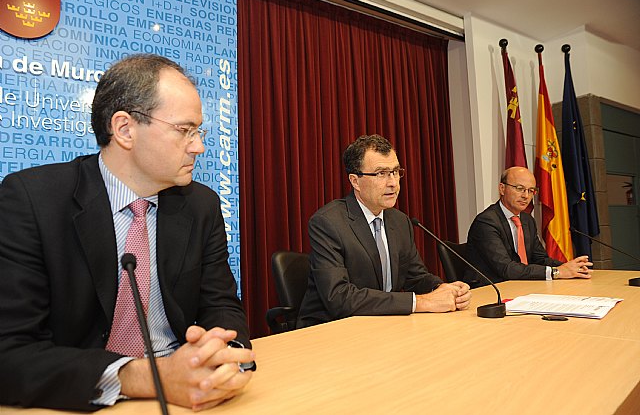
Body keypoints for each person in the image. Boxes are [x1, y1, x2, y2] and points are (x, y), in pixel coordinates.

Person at [0, 54, 255, 411]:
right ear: (124, 129)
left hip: (189, 392)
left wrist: (225, 357)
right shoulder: (32, 200)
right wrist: (149, 378)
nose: (198, 146)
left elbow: (221, 304)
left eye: (199, 131)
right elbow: (10, 353)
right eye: (185, 130)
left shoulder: (201, 205)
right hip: (85, 396)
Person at [297, 135, 471, 328]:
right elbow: (339, 297)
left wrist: (443, 289)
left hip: (384, 324)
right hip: (332, 328)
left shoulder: (400, 221)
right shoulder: (328, 223)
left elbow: (416, 277)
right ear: (355, 181)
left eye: (395, 172)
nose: (393, 183)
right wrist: (421, 302)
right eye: (381, 173)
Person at [465, 166, 593, 285]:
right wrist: (556, 272)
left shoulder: (527, 220)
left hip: (520, 286)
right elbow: (506, 268)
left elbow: (540, 259)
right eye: (519, 188)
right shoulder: (486, 222)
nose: (526, 196)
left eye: (531, 191)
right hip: (490, 290)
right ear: (502, 189)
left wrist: (568, 267)